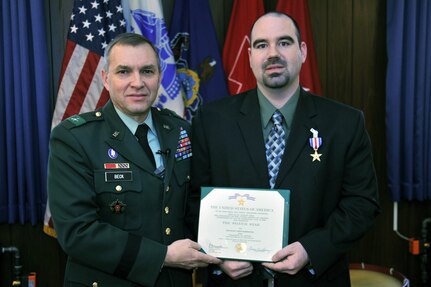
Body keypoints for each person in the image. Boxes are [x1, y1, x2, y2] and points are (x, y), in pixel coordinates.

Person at [191, 12, 380, 287]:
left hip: (315, 279)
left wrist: (310, 250)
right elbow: (193, 198)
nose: (272, 54)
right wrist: (218, 254)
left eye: (284, 42)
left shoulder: (345, 123)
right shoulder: (211, 120)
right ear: (250, 56)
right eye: (261, 45)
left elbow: (362, 204)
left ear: (302, 51)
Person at [48, 33, 221, 287]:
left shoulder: (180, 130)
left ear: (159, 77)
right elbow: (78, 233)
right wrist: (164, 256)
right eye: (124, 72)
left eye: (147, 71)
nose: (137, 82)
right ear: (106, 79)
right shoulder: (74, 139)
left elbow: (194, 204)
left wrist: (229, 249)